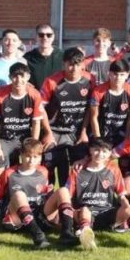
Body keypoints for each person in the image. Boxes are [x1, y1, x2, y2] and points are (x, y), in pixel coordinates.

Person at [54, 137, 130, 249]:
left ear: (109, 153)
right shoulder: (78, 169)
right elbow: (67, 196)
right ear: (90, 150)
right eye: (96, 150)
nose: (100, 154)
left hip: (107, 212)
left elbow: (121, 195)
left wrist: (127, 207)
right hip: (85, 213)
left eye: (104, 151)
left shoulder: (113, 169)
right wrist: (71, 214)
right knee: (85, 210)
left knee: (128, 208)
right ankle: (86, 236)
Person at [0, 138, 54, 248]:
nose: (31, 161)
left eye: (35, 157)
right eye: (28, 156)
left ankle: (69, 233)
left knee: (62, 192)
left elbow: (46, 197)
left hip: (37, 217)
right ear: (21, 155)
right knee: (20, 195)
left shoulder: (43, 172)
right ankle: (37, 236)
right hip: (15, 220)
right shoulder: (9, 173)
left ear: (40, 157)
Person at [39, 47, 93, 187]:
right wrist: (48, 133)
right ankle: (47, 200)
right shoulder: (51, 82)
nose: (73, 68)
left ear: (82, 65)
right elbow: (40, 109)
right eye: (70, 64)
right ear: (63, 64)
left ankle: (73, 200)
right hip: (54, 131)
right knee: (49, 168)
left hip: (76, 133)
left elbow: (90, 108)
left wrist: (84, 132)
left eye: (77, 64)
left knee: (79, 167)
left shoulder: (89, 80)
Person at [0, 62, 44, 185]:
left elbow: (36, 123)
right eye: (15, 76)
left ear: (28, 77)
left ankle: (25, 194)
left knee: (30, 166)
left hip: (25, 139)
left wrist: (33, 146)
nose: (18, 80)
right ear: (10, 77)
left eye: (22, 76)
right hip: (5, 139)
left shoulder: (34, 95)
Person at [88, 59, 130, 147]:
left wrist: (128, 133)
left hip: (120, 133)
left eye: (122, 75)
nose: (118, 78)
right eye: (115, 74)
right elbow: (93, 117)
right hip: (102, 133)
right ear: (109, 74)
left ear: (127, 75)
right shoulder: (98, 91)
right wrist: (98, 139)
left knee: (122, 160)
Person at [24, 24, 63, 90]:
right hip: (36, 98)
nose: (45, 38)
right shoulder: (26, 58)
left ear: (53, 37)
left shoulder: (63, 57)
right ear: (36, 37)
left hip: (58, 98)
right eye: (41, 35)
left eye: (49, 35)